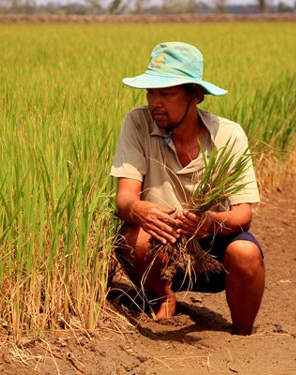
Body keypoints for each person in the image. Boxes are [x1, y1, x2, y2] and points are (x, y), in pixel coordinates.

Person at [110, 42, 265, 335]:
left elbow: (243, 215)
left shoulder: (228, 134)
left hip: (213, 246)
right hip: (160, 246)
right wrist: (139, 210)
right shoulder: (137, 122)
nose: (155, 101)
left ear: (195, 95)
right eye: (151, 92)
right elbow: (125, 199)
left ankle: (243, 334)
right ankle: (162, 295)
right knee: (133, 239)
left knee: (246, 252)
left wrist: (209, 223)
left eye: (166, 93)